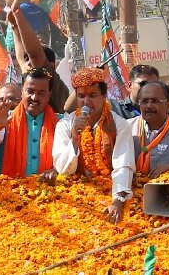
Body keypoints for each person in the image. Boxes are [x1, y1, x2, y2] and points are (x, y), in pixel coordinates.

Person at [50, 68, 136, 223]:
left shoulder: (120, 125)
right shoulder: (65, 125)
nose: (86, 102)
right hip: (75, 195)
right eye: (81, 96)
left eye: (92, 95)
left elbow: (123, 165)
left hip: (112, 192)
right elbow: (63, 169)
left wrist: (117, 201)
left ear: (104, 96)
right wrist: (75, 138)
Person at [130, 81, 169, 181]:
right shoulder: (126, 128)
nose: (149, 106)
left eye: (154, 101)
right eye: (145, 101)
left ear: (168, 106)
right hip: (132, 191)